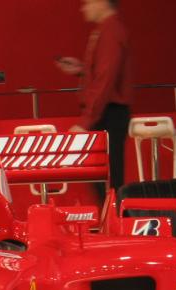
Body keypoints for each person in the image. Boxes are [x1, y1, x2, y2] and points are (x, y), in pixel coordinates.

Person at [57, 0, 131, 194]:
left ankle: (114, 213)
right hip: (106, 112)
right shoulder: (108, 29)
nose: (84, 8)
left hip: (108, 114)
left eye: (88, 3)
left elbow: (105, 79)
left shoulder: (110, 31)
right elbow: (104, 74)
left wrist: (86, 121)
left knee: (108, 180)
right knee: (105, 178)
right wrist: (83, 70)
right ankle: (112, 212)